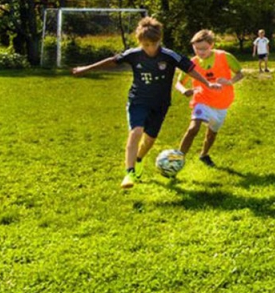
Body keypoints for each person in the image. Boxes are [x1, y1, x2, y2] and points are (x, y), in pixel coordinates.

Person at [71, 16, 217, 188]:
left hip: (160, 104)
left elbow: (190, 69)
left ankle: (138, 159)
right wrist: (85, 68)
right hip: (138, 100)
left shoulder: (169, 55)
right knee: (136, 132)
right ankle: (129, 173)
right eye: (146, 45)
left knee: (149, 140)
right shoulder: (133, 54)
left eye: (153, 44)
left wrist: (207, 84)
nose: (150, 48)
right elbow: (112, 61)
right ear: (140, 42)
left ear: (159, 40)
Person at [177, 29, 244, 168]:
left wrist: (230, 82)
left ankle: (204, 154)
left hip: (222, 103)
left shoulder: (224, 56)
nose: (200, 52)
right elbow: (178, 83)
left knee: (212, 133)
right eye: (197, 49)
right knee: (193, 128)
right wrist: (184, 91)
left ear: (211, 45)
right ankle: (177, 159)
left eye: (204, 49)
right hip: (201, 100)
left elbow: (240, 73)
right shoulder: (192, 63)